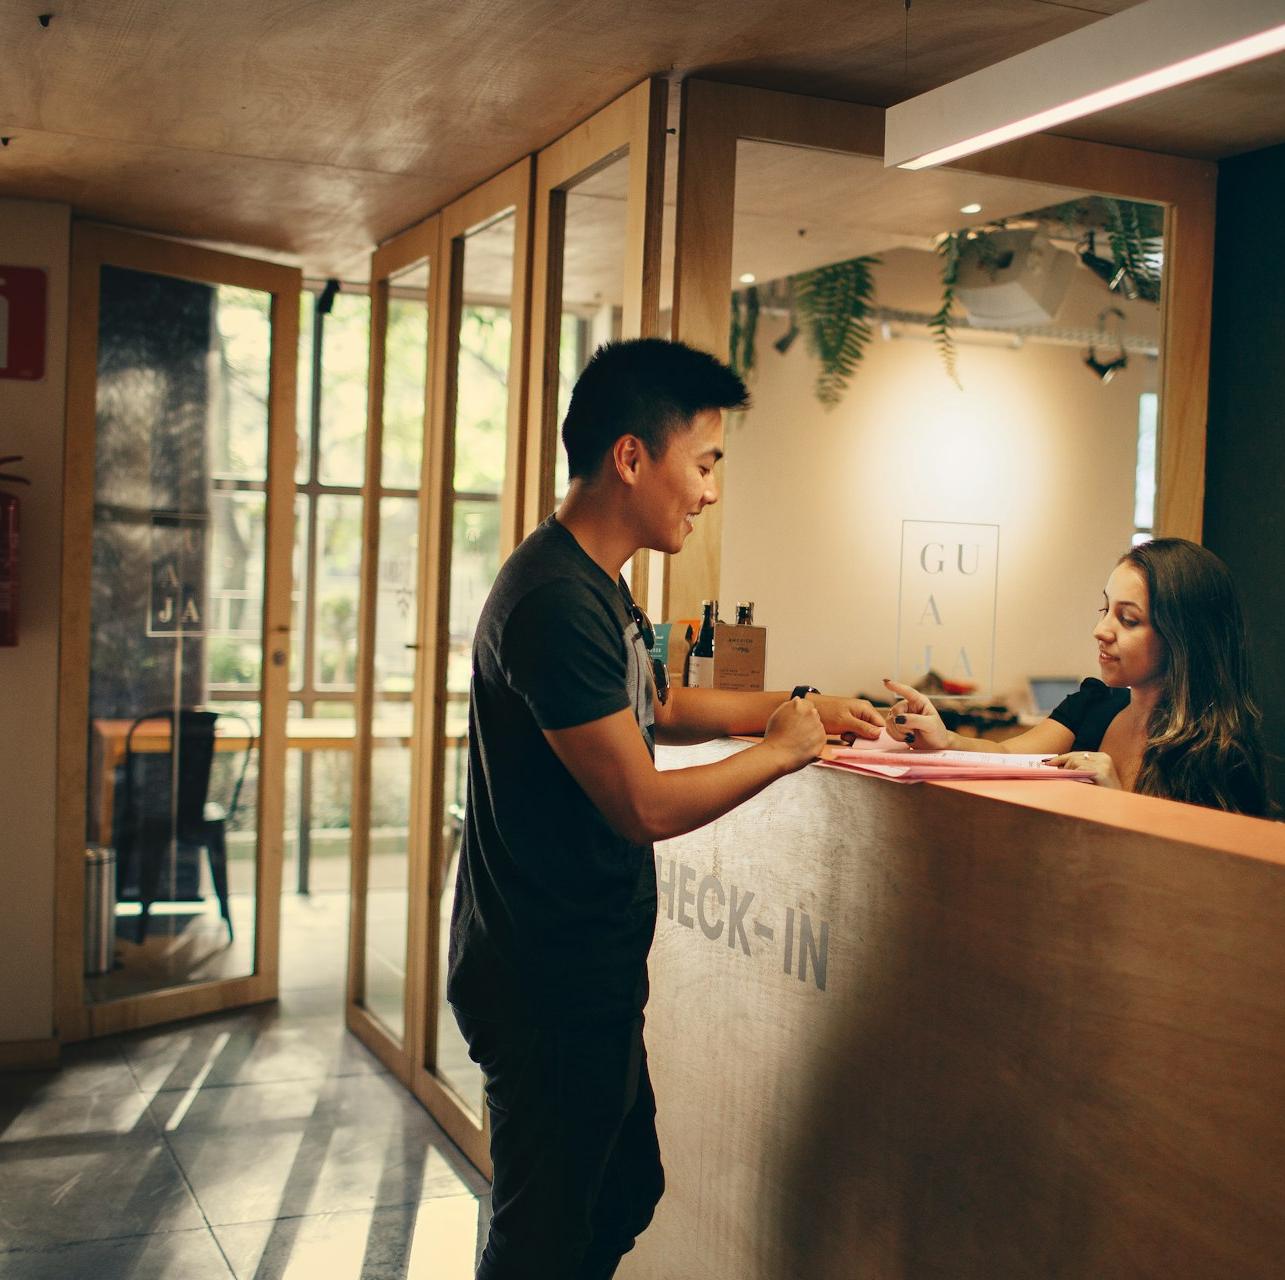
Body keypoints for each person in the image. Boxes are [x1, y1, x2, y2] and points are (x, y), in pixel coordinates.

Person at [447, 338, 885, 1280]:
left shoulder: (595, 586)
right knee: (543, 1241)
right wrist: (779, 753)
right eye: (705, 462)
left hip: (582, 968)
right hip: (544, 978)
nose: (710, 489)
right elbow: (638, 804)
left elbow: (664, 707)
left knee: (619, 1192)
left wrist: (797, 706)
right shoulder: (554, 602)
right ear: (632, 458)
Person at [883, 537, 1269, 816]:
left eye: (1128, 619)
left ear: (1184, 637)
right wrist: (943, 737)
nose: (1101, 630)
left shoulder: (1218, 754)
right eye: (1104, 609)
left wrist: (1117, 799)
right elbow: (1005, 756)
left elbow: (1198, 883)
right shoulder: (1095, 703)